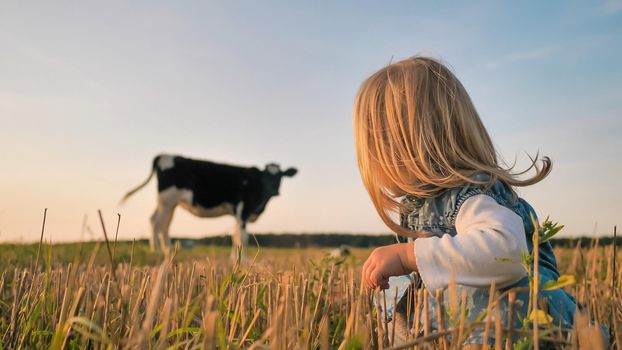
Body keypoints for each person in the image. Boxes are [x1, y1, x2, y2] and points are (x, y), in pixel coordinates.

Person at [353, 56, 579, 346]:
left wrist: (408, 256)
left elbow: (506, 252)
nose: (372, 165)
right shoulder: (423, 205)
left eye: (375, 151)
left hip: (524, 325)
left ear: (402, 148)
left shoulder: (469, 194)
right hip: (476, 325)